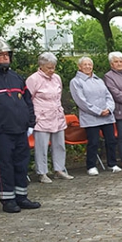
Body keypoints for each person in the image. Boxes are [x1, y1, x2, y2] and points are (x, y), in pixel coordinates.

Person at [0, 38, 40, 213]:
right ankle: (8, 199)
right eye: (0, 55)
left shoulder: (17, 78)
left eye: (6, 54)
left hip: (20, 130)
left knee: (21, 164)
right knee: (5, 166)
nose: (4, 58)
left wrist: (30, 123)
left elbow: (28, 102)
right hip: (0, 132)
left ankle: (21, 196)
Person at [27, 52, 73, 182]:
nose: (52, 70)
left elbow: (58, 96)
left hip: (57, 115)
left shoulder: (57, 78)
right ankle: (42, 173)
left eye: (53, 67)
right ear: (41, 66)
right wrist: (33, 117)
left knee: (59, 144)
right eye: (49, 68)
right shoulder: (33, 79)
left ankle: (59, 169)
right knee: (41, 146)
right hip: (41, 117)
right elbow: (28, 99)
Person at [70, 57, 119, 176]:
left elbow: (108, 95)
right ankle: (91, 165)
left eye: (89, 64)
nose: (87, 67)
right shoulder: (76, 82)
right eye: (85, 65)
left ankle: (112, 163)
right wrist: (98, 111)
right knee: (93, 142)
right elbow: (81, 101)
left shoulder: (99, 80)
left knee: (111, 140)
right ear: (79, 67)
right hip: (91, 117)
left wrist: (109, 108)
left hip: (106, 116)